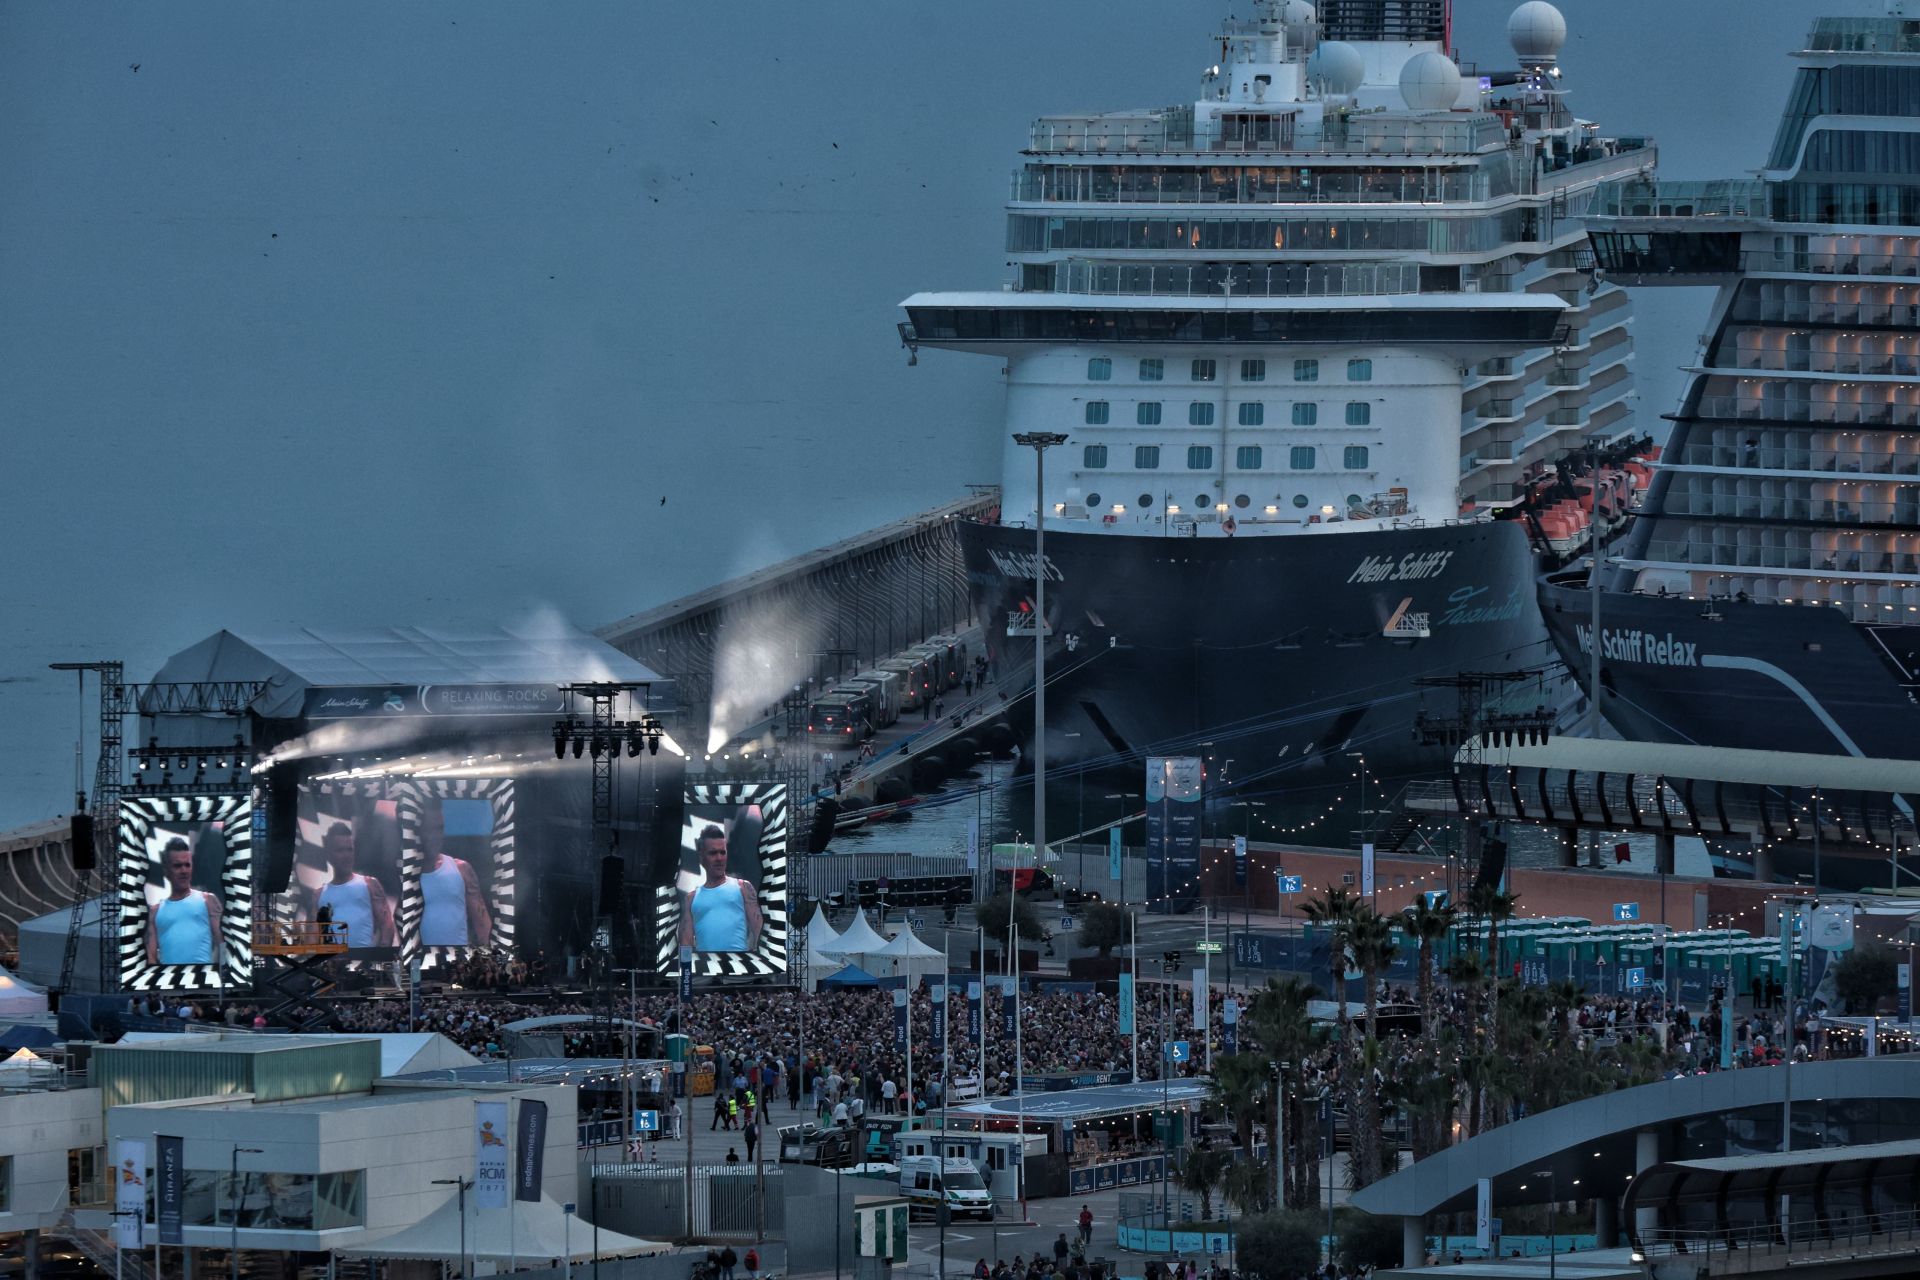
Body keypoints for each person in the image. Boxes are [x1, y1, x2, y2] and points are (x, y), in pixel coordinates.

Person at [416, 802, 492, 947]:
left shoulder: (461, 869)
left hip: (457, 959)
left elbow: (482, 924)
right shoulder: (406, 875)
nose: (434, 836)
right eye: (428, 829)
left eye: (439, 829)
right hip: (417, 960)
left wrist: (491, 962)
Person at [680, 825, 764, 952]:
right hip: (706, 969)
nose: (719, 858)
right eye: (713, 853)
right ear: (702, 857)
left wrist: (756, 964)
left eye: (722, 852)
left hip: (739, 967)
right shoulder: (691, 899)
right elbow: (685, 943)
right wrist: (687, 970)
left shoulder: (743, 888)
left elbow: (760, 931)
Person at [314, 821, 395, 947]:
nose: (347, 855)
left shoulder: (369, 885)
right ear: (329, 855)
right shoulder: (318, 895)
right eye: (340, 850)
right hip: (331, 963)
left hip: (364, 963)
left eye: (349, 849)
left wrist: (380, 956)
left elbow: (387, 925)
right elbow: (311, 940)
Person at [146, 838, 221, 965]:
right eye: (177, 865)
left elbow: (223, 943)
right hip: (169, 981)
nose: (184, 871)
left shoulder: (208, 900)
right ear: (166, 870)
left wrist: (216, 975)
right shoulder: (155, 912)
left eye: (187, 865)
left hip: (202, 980)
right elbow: (151, 956)